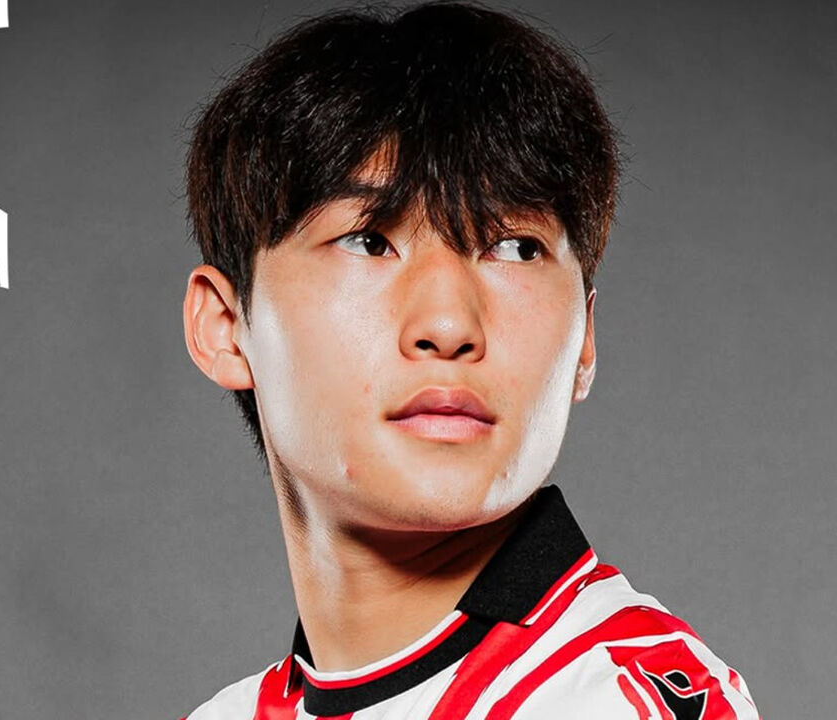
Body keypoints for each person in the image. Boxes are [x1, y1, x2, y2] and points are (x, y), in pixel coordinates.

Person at [178, 2, 760, 718]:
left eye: (514, 247)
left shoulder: (610, 699)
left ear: (584, 339)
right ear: (225, 327)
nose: (450, 325)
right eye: (369, 240)